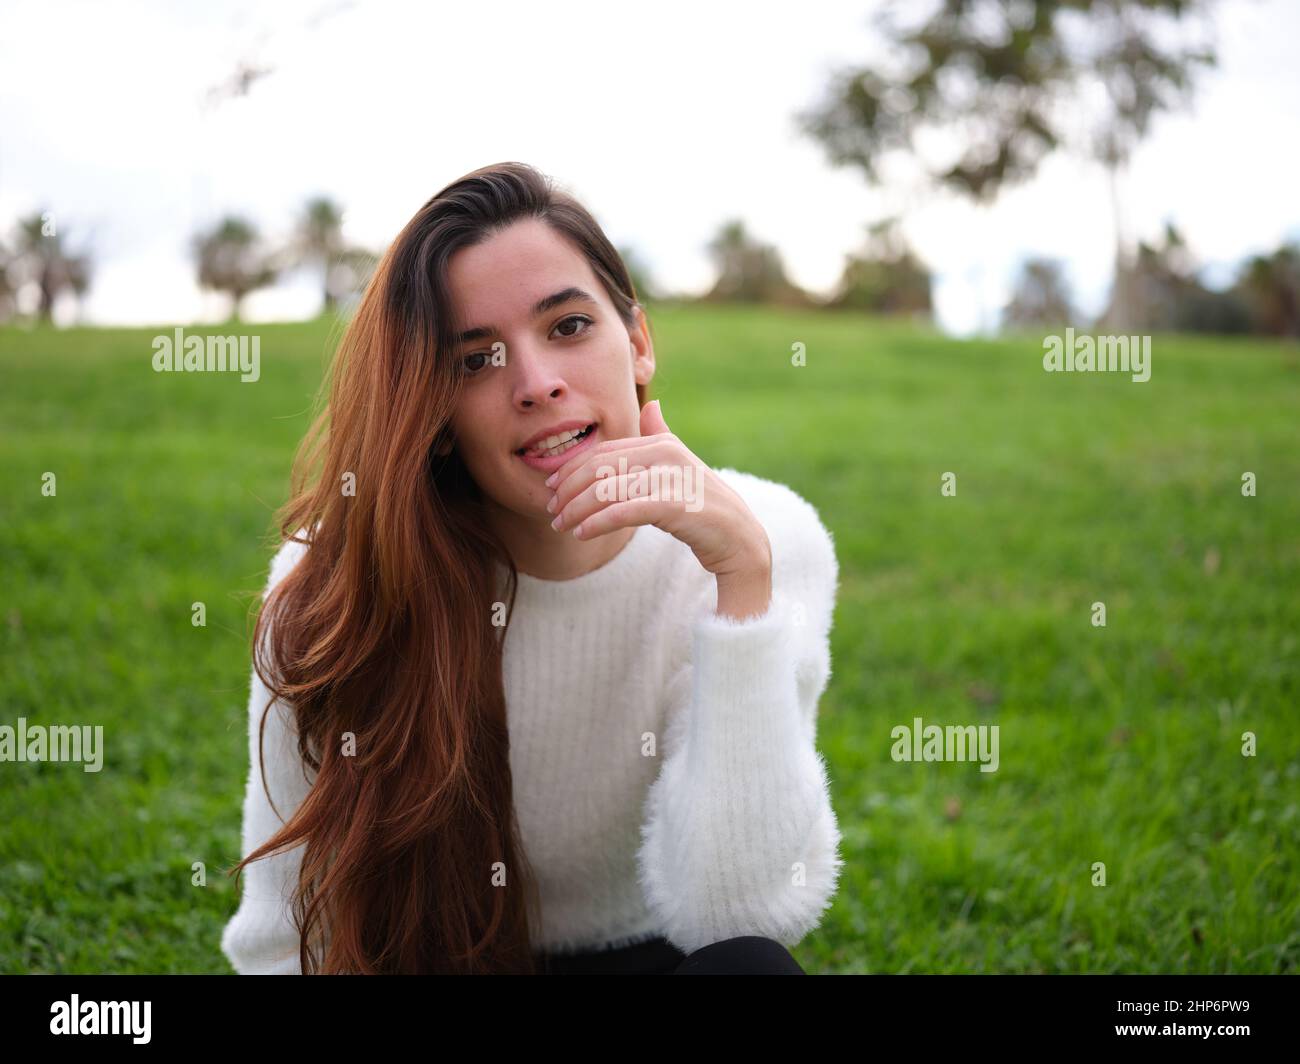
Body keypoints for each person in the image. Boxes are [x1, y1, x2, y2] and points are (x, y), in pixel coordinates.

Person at [220, 161, 844, 975]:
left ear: (640, 343)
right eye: (475, 360)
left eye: (568, 327)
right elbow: (281, 938)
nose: (538, 384)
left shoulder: (766, 540)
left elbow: (744, 914)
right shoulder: (331, 584)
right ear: (433, 413)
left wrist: (743, 590)